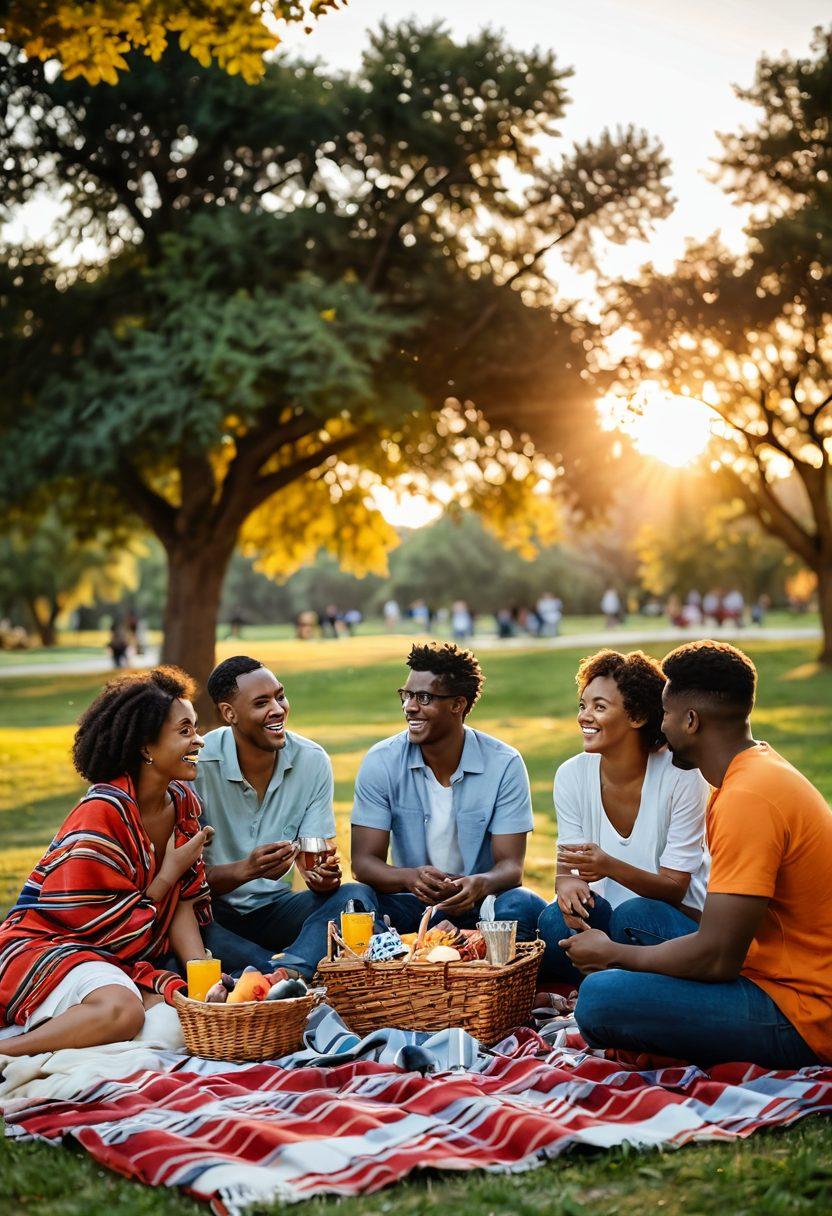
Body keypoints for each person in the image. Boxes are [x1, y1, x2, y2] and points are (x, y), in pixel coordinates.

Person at [563, 640, 832, 1069]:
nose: (660, 725)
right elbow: (724, 932)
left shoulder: (749, 799)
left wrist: (616, 956)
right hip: (767, 966)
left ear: (690, 721)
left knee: (599, 999)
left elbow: (718, 957)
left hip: (804, 1011)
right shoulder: (753, 770)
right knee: (637, 915)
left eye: (665, 714)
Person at [0, 667, 212, 1056]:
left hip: (120, 961)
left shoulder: (183, 804)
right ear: (146, 747)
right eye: (185, 731)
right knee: (124, 1011)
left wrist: (203, 980)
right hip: (52, 946)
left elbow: (181, 902)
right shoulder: (102, 811)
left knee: (181, 1023)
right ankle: (9, 1051)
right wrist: (168, 873)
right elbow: (90, 923)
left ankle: (73, 1028)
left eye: (195, 728)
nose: (198, 740)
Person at [195, 656, 377, 979]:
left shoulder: (312, 762)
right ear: (229, 714)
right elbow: (181, 886)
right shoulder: (198, 766)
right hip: (213, 914)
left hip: (275, 910)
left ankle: (281, 971)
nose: (278, 709)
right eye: (262, 702)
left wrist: (323, 878)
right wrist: (246, 870)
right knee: (187, 931)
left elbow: (315, 866)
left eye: (280, 696)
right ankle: (289, 970)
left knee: (355, 897)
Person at [350, 642, 544, 938]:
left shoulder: (504, 764)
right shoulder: (382, 762)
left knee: (522, 905)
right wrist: (409, 878)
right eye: (407, 695)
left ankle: (467, 953)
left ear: (458, 704)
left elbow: (510, 867)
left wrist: (479, 883)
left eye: (424, 697)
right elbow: (363, 863)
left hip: (481, 905)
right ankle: (416, 953)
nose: (409, 707)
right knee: (354, 900)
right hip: (413, 905)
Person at [538, 650, 709, 985]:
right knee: (554, 920)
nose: (584, 717)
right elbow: (567, 869)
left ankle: (611, 982)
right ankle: (608, 981)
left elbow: (675, 889)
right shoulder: (571, 775)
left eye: (599, 707)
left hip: (672, 922)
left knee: (635, 914)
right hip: (609, 919)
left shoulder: (682, 776)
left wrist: (608, 865)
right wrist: (569, 885)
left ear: (637, 715)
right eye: (582, 705)